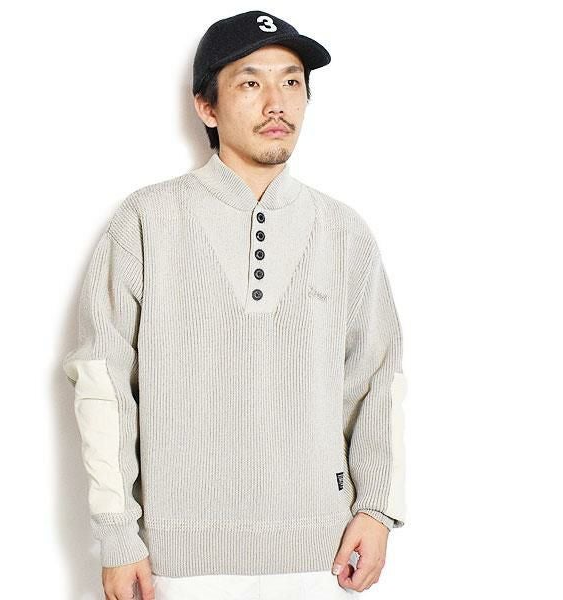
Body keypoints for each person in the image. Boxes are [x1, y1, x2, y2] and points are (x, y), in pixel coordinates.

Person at [62, 9, 407, 600]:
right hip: (177, 560)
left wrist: (376, 510)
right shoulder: (146, 221)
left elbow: (377, 378)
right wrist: (118, 537)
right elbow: (103, 383)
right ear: (207, 107)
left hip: (321, 556)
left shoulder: (343, 232)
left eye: (291, 81)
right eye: (251, 82)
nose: (277, 103)